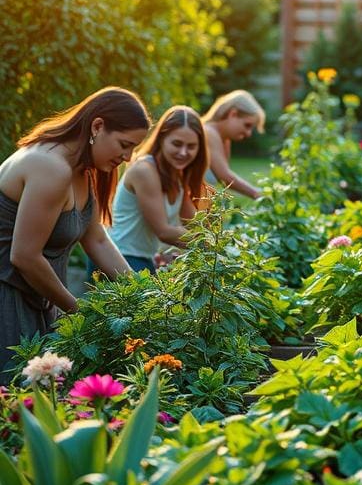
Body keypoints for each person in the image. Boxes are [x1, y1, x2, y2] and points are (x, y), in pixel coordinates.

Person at [0, 87, 151, 372]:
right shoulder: (49, 166)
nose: (128, 156)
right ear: (97, 126)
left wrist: (143, 296)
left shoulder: (83, 170)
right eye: (124, 144)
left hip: (38, 299)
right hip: (8, 301)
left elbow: (97, 240)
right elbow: (24, 256)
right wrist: (78, 312)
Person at [102, 106, 209, 274]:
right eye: (177, 144)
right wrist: (212, 244)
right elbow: (163, 231)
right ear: (162, 139)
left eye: (191, 146)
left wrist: (218, 239)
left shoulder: (176, 174)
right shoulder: (145, 170)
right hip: (118, 258)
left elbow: (194, 224)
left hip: (143, 259)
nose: (183, 152)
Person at [201, 90, 266, 199]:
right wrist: (257, 193)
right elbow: (224, 177)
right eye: (247, 125)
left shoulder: (225, 140)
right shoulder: (209, 132)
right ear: (233, 114)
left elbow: (222, 183)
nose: (248, 133)